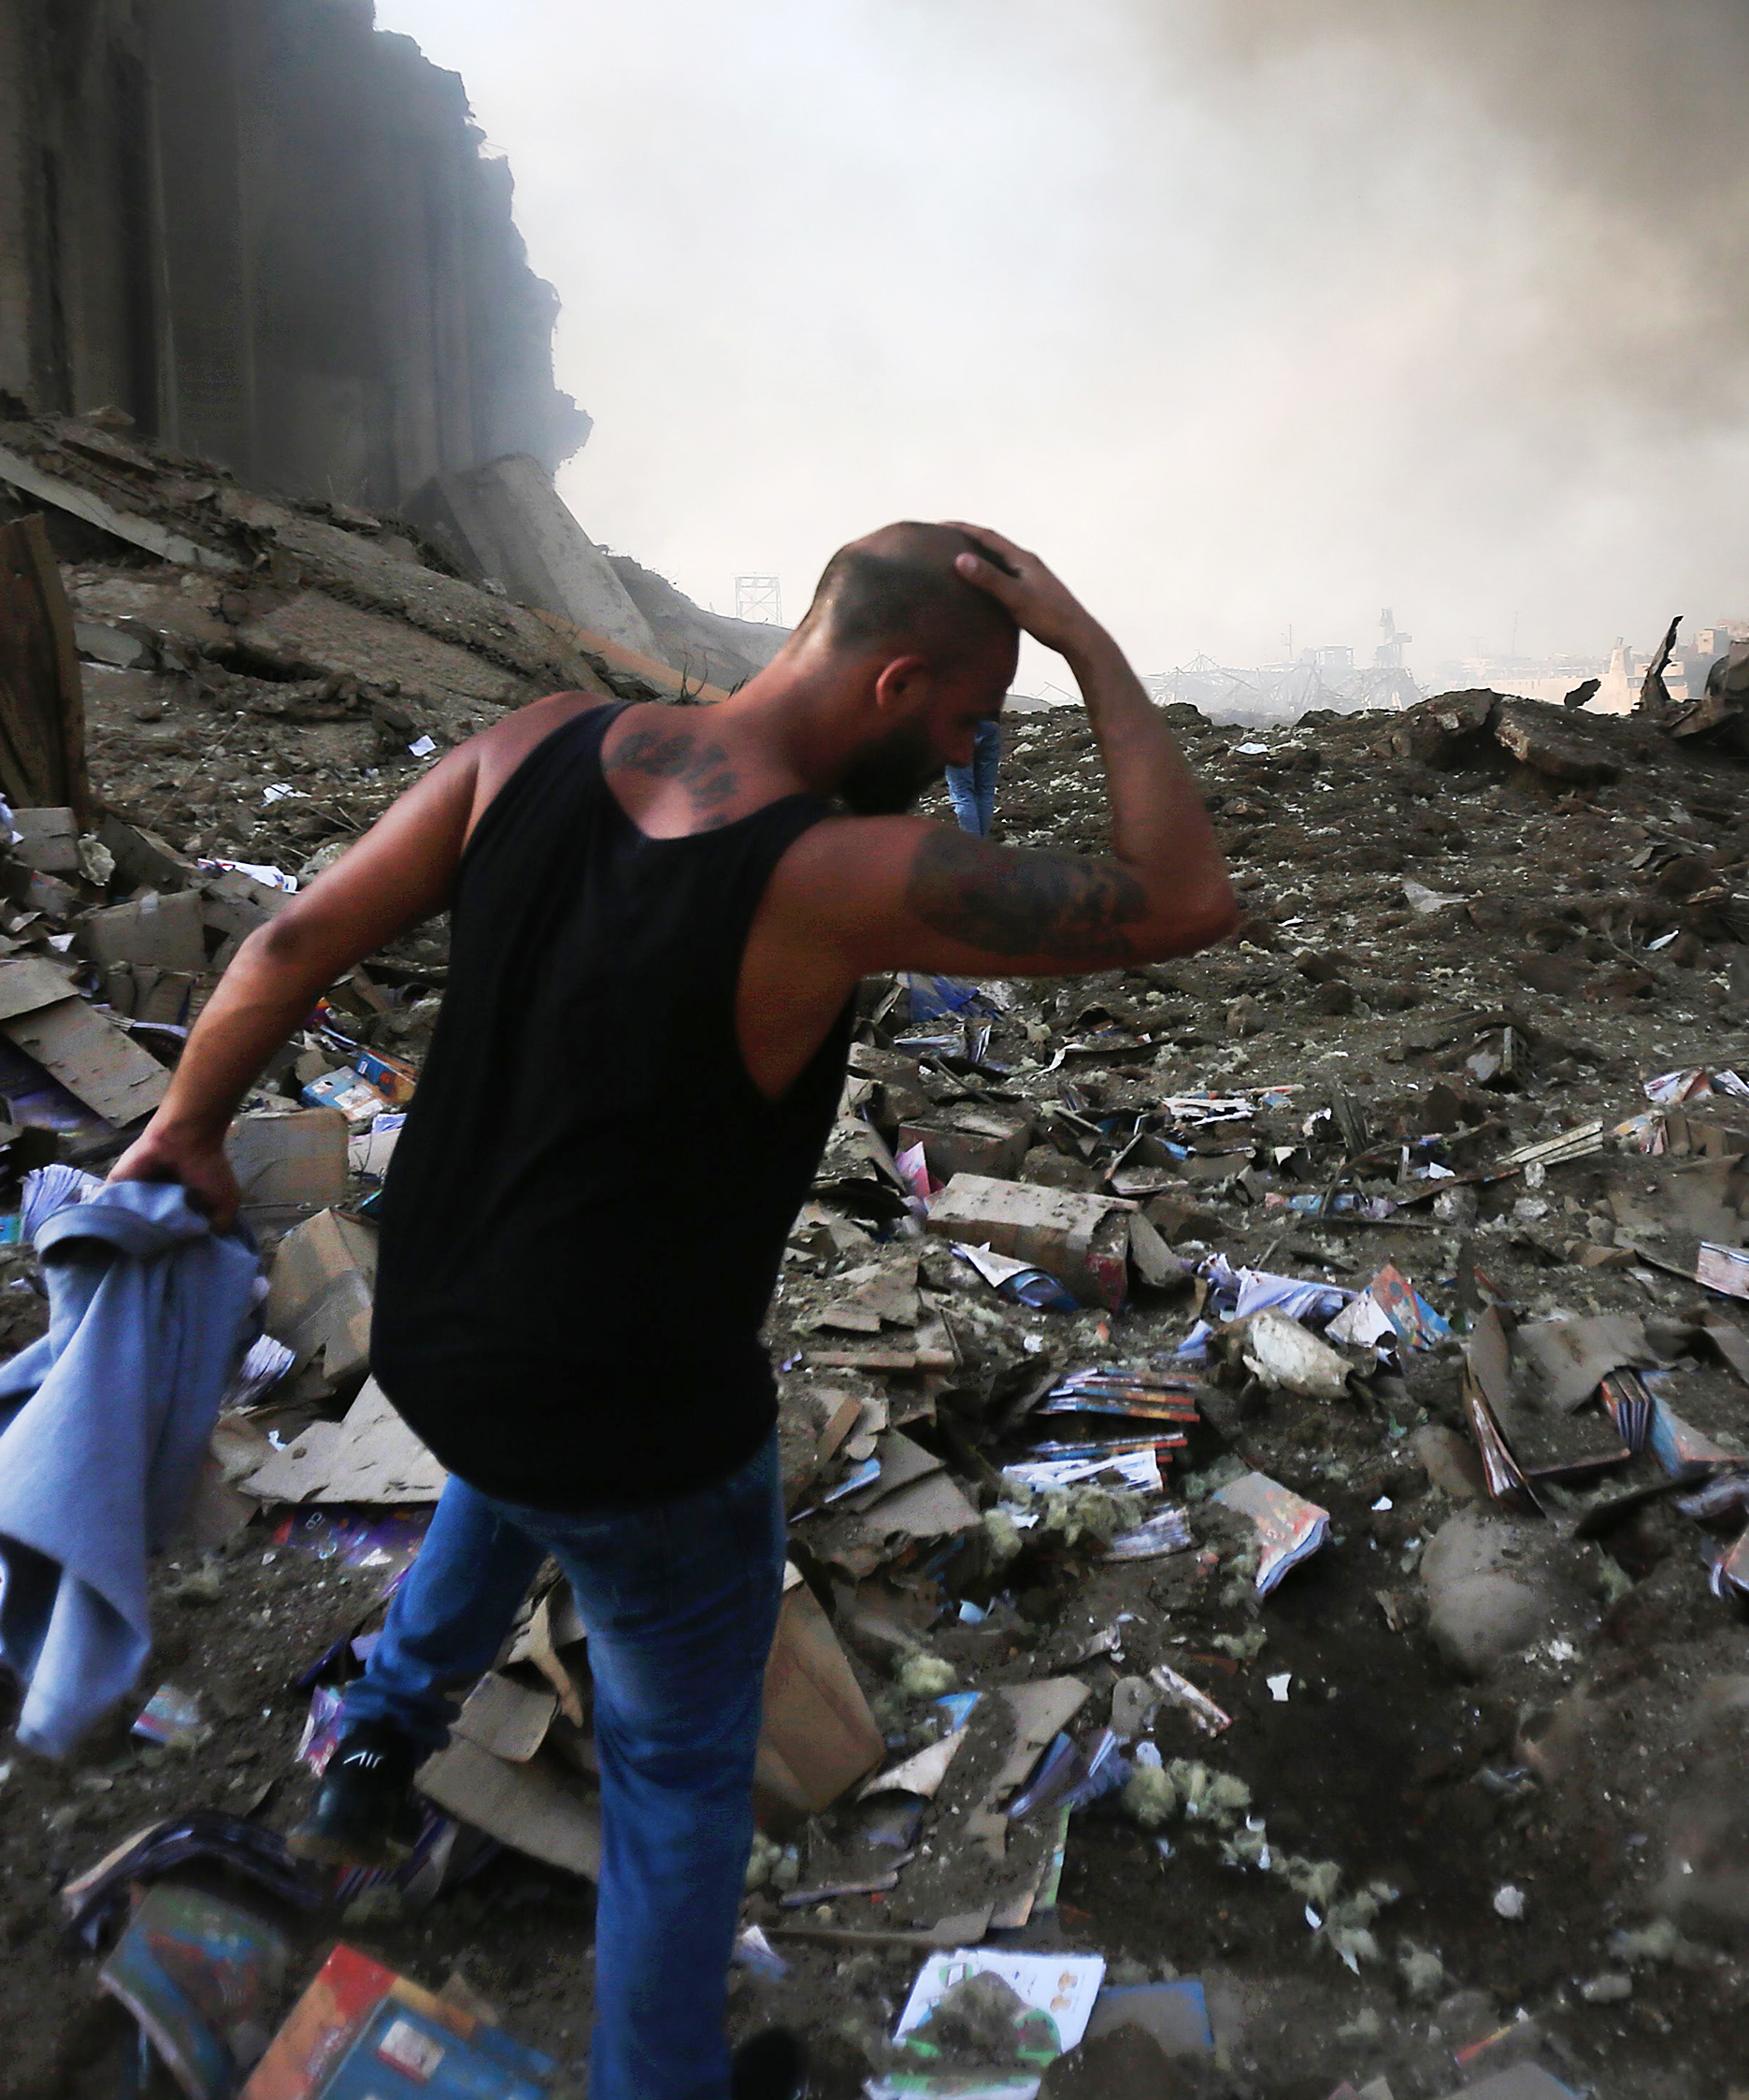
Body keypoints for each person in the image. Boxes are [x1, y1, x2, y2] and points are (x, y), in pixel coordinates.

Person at [104, 522, 1237, 2100]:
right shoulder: (832, 873)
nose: (970, 752)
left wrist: (184, 1130)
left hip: (433, 1330)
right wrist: (1091, 643)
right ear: (896, 678)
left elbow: (290, 941)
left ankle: (379, 1736)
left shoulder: (533, 743)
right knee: (677, 1765)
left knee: (520, 1456)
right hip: (633, 1416)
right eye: (971, 720)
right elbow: (1181, 895)